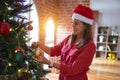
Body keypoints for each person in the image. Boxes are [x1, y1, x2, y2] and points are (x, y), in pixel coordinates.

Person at [32, 4, 96, 80]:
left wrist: (49, 62)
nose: (72, 25)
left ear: (86, 26)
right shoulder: (69, 39)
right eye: (72, 22)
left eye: (76, 23)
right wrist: (39, 44)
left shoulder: (90, 46)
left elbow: (72, 69)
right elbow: (53, 51)